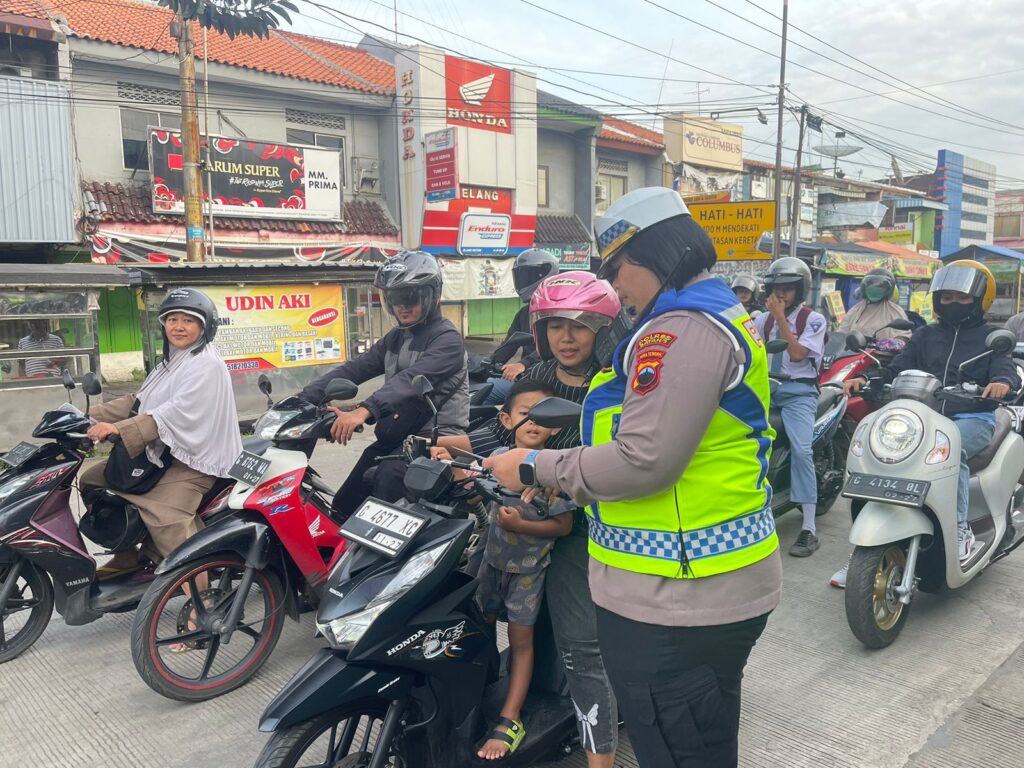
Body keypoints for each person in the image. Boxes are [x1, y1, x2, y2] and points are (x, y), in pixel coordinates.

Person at [485, 186, 781, 768]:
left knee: (675, 749)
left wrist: (530, 467)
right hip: (690, 582)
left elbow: (644, 459)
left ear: (654, 253)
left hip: (679, 594)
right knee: (701, 741)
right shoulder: (708, 316)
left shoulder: (681, 331)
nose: (616, 285)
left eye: (618, 268)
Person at [438, 270, 623, 768]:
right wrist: (450, 450)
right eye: (557, 324)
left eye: (581, 325)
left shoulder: (612, 386)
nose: (567, 336)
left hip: (579, 531)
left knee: (580, 650)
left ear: (603, 330)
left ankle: (599, 758)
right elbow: (497, 430)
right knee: (460, 611)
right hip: (516, 527)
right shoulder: (536, 379)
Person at [836, 260, 1020, 585]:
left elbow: (1004, 370)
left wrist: (1002, 383)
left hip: (971, 416)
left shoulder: (991, 337)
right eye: (946, 297)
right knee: (881, 454)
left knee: (953, 450)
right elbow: (897, 367)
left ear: (979, 300)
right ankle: (863, 551)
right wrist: (864, 377)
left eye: (961, 298)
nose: (952, 304)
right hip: (922, 417)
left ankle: (960, 529)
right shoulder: (925, 335)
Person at [82, 287, 241, 576]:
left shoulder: (205, 364)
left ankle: (200, 596)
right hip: (163, 453)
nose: (178, 327)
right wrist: (87, 417)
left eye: (188, 320)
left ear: (204, 326)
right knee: (92, 481)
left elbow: (175, 411)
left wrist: (118, 429)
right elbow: (139, 401)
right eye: (172, 319)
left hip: (194, 460)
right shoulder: (172, 361)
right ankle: (127, 556)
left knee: (167, 519)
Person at [300, 250, 468, 519]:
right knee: (344, 505)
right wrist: (306, 398)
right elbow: (356, 368)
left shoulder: (447, 339)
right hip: (398, 437)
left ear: (432, 295)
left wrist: (364, 410)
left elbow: (409, 382)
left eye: (410, 297)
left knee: (384, 492)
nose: (401, 305)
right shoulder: (397, 337)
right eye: (394, 297)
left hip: (435, 439)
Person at [468, 379, 574, 760]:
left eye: (543, 416)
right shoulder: (497, 458)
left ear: (556, 426)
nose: (533, 422)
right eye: (525, 414)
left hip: (528, 572)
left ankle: (510, 716)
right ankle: (477, 690)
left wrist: (522, 526)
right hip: (490, 564)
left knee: (521, 642)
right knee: (477, 627)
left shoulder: (555, 474)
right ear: (506, 418)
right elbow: (471, 479)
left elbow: (563, 527)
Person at [756, 257, 827, 558]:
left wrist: (781, 319)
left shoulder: (814, 319)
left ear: (800, 290)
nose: (781, 294)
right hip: (766, 390)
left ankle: (808, 527)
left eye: (787, 289)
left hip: (799, 393)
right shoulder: (761, 319)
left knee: (802, 450)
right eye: (777, 288)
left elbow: (798, 354)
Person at [480, 248, 560, 406]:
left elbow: (553, 346)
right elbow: (509, 344)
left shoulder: (556, 311)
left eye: (528, 275)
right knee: (481, 386)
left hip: (545, 378)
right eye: (521, 276)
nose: (523, 281)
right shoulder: (524, 313)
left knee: (488, 390)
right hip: (526, 377)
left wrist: (524, 364)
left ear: (544, 275)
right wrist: (487, 363)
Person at [836, 268, 912, 341]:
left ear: (887, 290)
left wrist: (896, 342)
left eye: (879, 289)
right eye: (871, 289)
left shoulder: (895, 311)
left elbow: (903, 335)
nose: (875, 292)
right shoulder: (855, 310)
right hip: (855, 352)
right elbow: (841, 332)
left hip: (881, 353)